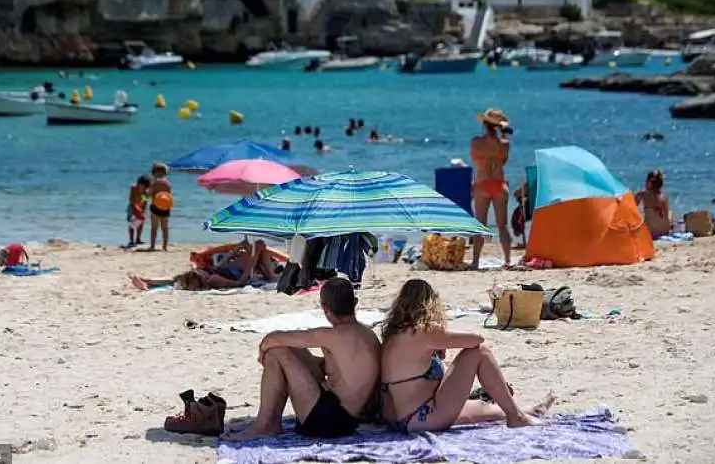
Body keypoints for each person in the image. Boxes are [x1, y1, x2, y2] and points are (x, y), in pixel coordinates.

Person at [379, 279, 553, 434]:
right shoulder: (425, 330)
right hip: (422, 417)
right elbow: (476, 340)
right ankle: (516, 417)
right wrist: (441, 335)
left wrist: (436, 347)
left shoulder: (393, 334)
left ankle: (529, 411)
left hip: (398, 421)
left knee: (482, 408)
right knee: (479, 352)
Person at [225, 277, 380, 440]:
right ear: (355, 302)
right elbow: (339, 368)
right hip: (348, 420)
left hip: (327, 420)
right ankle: (269, 422)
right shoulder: (368, 335)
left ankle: (265, 425)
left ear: (324, 308)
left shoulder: (331, 336)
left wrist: (264, 354)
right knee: (293, 349)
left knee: (277, 350)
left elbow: (272, 339)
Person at [130, 239, 279, 290]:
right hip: (232, 272)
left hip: (229, 272)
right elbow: (239, 280)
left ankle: (149, 283)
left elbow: (237, 278)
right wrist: (238, 254)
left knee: (179, 280)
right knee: (180, 279)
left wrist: (234, 252)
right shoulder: (215, 278)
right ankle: (148, 283)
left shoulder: (214, 272)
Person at [470, 108, 512, 267]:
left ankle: (475, 261)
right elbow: (504, 161)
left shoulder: (476, 142)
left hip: (482, 184)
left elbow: (475, 159)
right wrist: (503, 135)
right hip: (499, 184)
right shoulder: (505, 144)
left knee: (480, 224)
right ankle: (507, 260)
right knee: (502, 226)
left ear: (485, 125)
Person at [635, 170, 672, 238]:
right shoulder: (665, 197)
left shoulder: (642, 195)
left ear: (649, 183)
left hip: (651, 232)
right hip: (664, 232)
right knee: (670, 213)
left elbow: (631, 208)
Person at [148, 162, 172, 251]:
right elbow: (169, 195)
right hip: (165, 207)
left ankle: (152, 246)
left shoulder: (154, 183)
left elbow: (150, 193)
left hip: (155, 206)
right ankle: (164, 246)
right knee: (165, 228)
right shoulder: (167, 183)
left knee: (154, 228)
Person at [126, 175, 151, 247]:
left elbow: (145, 201)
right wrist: (135, 209)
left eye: (142, 186)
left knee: (141, 223)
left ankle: (138, 239)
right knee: (131, 224)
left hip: (141, 207)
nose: (140, 187)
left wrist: (142, 210)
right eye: (139, 185)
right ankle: (131, 241)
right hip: (132, 207)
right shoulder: (133, 188)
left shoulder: (146, 192)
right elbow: (131, 199)